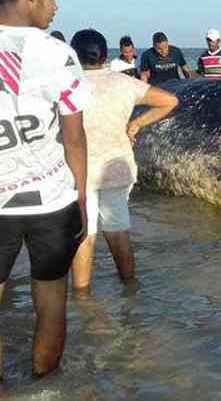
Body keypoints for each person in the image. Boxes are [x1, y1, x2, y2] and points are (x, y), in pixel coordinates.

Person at [0, 0, 90, 377]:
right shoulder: (59, 54)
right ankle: (44, 388)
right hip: (53, 200)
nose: (55, 6)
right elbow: (74, 138)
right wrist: (83, 200)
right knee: (52, 302)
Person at [69, 29, 177, 290]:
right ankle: (129, 288)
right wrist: (136, 123)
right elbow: (169, 100)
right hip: (116, 169)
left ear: (73, 55)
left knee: (85, 234)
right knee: (118, 229)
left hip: (77, 172)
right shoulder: (123, 82)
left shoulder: (67, 84)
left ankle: (83, 299)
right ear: (106, 55)